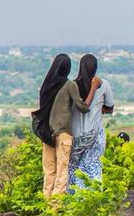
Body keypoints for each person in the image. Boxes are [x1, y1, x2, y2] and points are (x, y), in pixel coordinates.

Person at [33, 54, 92, 199]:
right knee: (62, 169)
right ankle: (56, 205)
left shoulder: (46, 86)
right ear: (67, 68)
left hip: (46, 134)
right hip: (63, 133)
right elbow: (82, 107)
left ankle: (46, 202)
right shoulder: (70, 85)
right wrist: (94, 89)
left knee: (49, 170)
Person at [68, 55, 114, 190]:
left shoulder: (73, 85)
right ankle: (92, 200)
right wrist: (100, 109)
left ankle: (74, 200)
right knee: (93, 166)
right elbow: (110, 107)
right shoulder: (103, 84)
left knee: (73, 168)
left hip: (76, 136)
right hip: (95, 134)